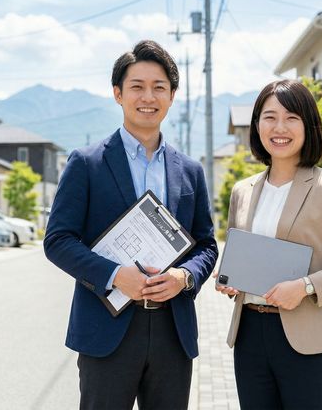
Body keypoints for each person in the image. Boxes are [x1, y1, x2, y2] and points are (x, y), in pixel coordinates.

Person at [43, 40, 218, 409]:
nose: (148, 97)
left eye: (159, 87)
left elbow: (206, 245)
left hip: (174, 330)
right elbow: (58, 240)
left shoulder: (190, 170)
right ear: (118, 94)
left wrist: (184, 278)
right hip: (106, 330)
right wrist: (115, 275)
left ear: (172, 96)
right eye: (137, 86)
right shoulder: (87, 163)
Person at [215, 79, 322, 409]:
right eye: (269, 117)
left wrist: (305, 286)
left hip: (310, 337)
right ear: (257, 124)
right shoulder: (243, 190)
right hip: (250, 336)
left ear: (308, 125)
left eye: (291, 117)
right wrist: (229, 279)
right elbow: (238, 252)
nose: (279, 127)